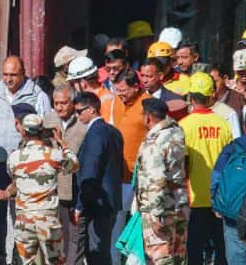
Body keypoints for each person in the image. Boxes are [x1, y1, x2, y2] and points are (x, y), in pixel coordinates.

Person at [0, 113, 79, 265]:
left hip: (24, 220)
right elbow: (74, 164)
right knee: (56, 262)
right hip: (48, 219)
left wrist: (6, 192)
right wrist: (62, 142)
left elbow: (16, 182)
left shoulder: (14, 157)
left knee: (26, 262)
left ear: (23, 132)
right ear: (42, 131)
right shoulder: (54, 155)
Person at [0, 55, 51, 264]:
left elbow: (45, 129)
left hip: (25, 162)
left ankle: (19, 257)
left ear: (23, 74)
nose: (8, 79)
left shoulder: (37, 95)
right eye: (5, 74)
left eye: (13, 75)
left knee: (21, 213)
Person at [178, 72, 232, 265]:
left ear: (190, 97)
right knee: (221, 249)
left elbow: (182, 165)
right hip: (220, 199)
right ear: (211, 96)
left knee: (194, 251)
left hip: (194, 198)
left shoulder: (184, 126)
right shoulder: (223, 124)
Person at [135, 98, 189, 265]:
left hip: (160, 208)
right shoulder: (177, 132)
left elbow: (155, 179)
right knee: (178, 256)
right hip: (179, 204)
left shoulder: (154, 141)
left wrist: (155, 214)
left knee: (160, 257)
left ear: (148, 117)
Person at [210, 111, 246, 265]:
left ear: (244, 127)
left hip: (233, 209)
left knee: (236, 250)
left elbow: (216, 175)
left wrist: (215, 201)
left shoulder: (233, 147)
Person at [74, 92, 124, 265]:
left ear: (92, 109)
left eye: (80, 111)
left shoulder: (95, 133)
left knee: (96, 252)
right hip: (111, 199)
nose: (77, 116)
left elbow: (90, 171)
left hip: (97, 202)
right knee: (103, 250)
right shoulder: (114, 132)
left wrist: (80, 205)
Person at [110, 68, 150, 264]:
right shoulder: (115, 102)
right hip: (118, 175)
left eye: (124, 90)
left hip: (139, 178)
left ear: (136, 87)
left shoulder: (147, 105)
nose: (120, 95)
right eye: (117, 90)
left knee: (137, 221)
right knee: (116, 222)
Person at [43, 84, 87, 264]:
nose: (59, 107)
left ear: (73, 103)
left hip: (73, 191)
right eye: (56, 103)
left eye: (63, 103)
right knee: (52, 238)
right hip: (51, 190)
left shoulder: (82, 124)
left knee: (72, 239)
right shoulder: (48, 119)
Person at [67, 56, 116, 126]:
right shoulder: (97, 98)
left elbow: (105, 132)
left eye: (73, 82)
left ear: (83, 83)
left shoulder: (105, 101)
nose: (73, 87)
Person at [210, 62, 245, 127]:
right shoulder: (207, 100)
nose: (212, 85)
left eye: (215, 81)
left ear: (225, 78)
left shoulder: (239, 99)